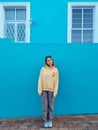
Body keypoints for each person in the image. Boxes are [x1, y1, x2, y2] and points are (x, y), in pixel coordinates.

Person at [38, 56, 59, 128]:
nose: (49, 61)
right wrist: (39, 89)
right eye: (48, 60)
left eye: (50, 60)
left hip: (51, 91)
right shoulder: (43, 69)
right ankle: (45, 121)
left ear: (52, 61)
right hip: (44, 90)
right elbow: (40, 79)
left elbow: (56, 82)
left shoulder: (55, 70)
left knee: (51, 106)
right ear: (46, 62)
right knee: (45, 106)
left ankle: (50, 120)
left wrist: (55, 91)